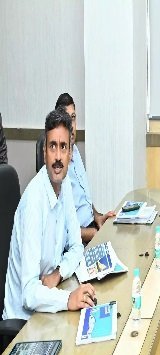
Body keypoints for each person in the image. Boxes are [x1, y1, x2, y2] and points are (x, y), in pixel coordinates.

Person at [2, 108, 96, 321]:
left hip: (48, 303)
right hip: (24, 320)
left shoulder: (65, 185)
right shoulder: (34, 202)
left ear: (70, 154)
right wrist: (68, 298)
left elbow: (76, 246)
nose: (58, 157)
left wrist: (59, 273)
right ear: (44, 151)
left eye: (63, 147)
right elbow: (29, 293)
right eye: (53, 146)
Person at [55, 93, 115, 244]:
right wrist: (93, 233)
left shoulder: (75, 151)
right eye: (66, 119)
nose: (72, 125)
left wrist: (97, 217)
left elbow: (83, 197)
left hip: (91, 227)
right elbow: (62, 230)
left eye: (73, 117)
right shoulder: (57, 167)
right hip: (78, 240)